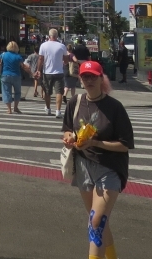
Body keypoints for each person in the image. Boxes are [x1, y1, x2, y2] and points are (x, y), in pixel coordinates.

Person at [61, 61, 134, 259]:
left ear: (102, 78)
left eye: (93, 76)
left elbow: (125, 144)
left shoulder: (114, 107)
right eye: (85, 77)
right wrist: (69, 138)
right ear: (80, 80)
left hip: (109, 168)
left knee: (96, 221)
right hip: (83, 166)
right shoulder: (75, 102)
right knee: (101, 221)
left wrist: (96, 143)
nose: (89, 80)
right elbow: (67, 129)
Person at [38, 28, 69, 117]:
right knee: (59, 92)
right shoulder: (62, 46)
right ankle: (58, 111)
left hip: (47, 72)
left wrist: (38, 70)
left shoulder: (43, 45)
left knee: (47, 92)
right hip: (59, 72)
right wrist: (63, 61)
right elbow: (66, 60)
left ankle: (48, 109)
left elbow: (40, 59)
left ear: (49, 36)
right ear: (57, 36)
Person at [0, 41, 27, 114]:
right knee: (17, 92)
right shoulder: (18, 56)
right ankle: (15, 107)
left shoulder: (3, 54)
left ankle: (9, 109)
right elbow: (23, 66)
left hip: (5, 75)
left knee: (6, 92)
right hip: (16, 75)